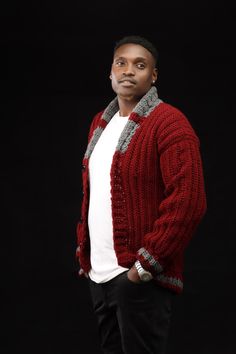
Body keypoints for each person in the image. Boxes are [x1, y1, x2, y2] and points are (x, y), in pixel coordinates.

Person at [76, 35, 207, 354]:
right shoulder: (100, 124)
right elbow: (94, 194)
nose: (128, 71)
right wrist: (87, 254)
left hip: (137, 277)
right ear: (110, 72)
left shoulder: (169, 123)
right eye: (121, 63)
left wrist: (146, 264)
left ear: (154, 75)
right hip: (100, 276)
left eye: (140, 65)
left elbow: (188, 201)